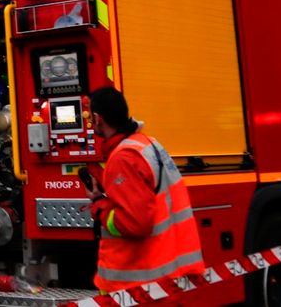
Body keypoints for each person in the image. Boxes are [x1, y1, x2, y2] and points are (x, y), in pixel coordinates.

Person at [83, 87, 204, 293]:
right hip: (163, 277)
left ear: (97, 118)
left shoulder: (123, 158)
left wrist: (99, 205)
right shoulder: (147, 144)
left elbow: (136, 224)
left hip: (137, 287)